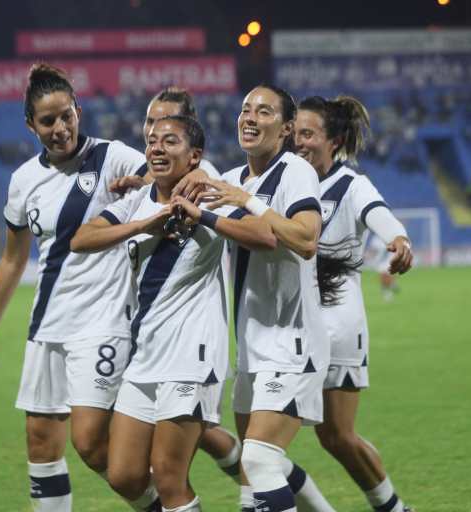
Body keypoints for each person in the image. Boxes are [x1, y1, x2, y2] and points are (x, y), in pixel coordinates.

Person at [0, 63, 158, 512]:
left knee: (90, 445)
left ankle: (165, 506)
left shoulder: (112, 157)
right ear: (30, 125)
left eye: (67, 115)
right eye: (48, 121)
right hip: (48, 324)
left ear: (78, 110)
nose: (60, 128)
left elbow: (167, 177)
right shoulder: (23, 182)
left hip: (103, 321)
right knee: (40, 442)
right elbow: (13, 258)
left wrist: (142, 181)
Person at [71, 115, 270, 511]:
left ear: (194, 155)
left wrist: (203, 216)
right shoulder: (135, 203)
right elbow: (82, 239)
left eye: (170, 141)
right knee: (125, 474)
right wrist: (148, 223)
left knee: (168, 475)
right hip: (144, 357)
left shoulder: (209, 197)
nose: (157, 148)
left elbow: (264, 236)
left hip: (190, 357)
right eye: (152, 141)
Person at [188, 85, 337, 512]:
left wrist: (248, 202)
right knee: (260, 468)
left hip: (293, 343)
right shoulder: (231, 180)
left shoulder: (295, 172)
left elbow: (307, 240)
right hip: (251, 346)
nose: (250, 117)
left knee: (257, 459)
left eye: (265, 111)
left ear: (287, 128)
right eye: (245, 109)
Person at [116, 86, 244, 483]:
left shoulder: (205, 182)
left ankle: (263, 481)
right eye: (151, 125)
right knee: (124, 474)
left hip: (192, 346)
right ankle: (258, 477)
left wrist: (202, 180)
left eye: (168, 128)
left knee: (169, 473)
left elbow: (256, 226)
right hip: (146, 345)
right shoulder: (142, 184)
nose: (156, 134)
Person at [293, 95, 413, 512]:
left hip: (337, 323)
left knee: (337, 437)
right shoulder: (286, 177)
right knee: (320, 437)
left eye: (308, 134)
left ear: (335, 139)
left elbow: (379, 214)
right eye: (295, 133)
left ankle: (393, 508)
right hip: (291, 321)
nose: (299, 142)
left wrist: (398, 240)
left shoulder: (350, 184)